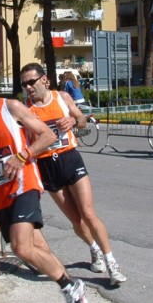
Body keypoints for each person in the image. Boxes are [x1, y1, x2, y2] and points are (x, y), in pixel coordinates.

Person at [0, 68, 88, 303]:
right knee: (37, 249)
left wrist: (22, 156)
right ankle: (72, 287)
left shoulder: (10, 107)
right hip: (0, 193)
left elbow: (47, 135)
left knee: (20, 247)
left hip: (25, 185)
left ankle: (72, 289)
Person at [21, 63, 127, 286]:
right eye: (24, 84)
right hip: (47, 165)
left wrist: (71, 121)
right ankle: (94, 248)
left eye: (32, 82)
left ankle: (112, 263)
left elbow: (82, 120)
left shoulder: (62, 98)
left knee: (88, 213)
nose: (28, 87)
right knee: (77, 222)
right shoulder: (25, 109)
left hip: (70, 158)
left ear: (44, 80)